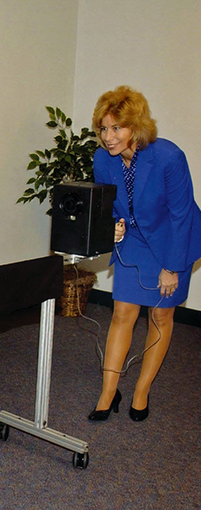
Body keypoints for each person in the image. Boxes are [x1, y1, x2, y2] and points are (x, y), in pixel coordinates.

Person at [88, 86, 201, 422]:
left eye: (116, 128)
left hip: (172, 239)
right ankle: (108, 392)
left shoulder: (168, 156)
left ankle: (141, 390)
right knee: (122, 311)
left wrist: (172, 266)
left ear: (135, 126)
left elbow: (181, 215)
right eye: (103, 129)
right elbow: (108, 207)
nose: (108, 138)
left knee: (160, 315)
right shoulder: (101, 160)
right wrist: (114, 227)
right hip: (134, 239)